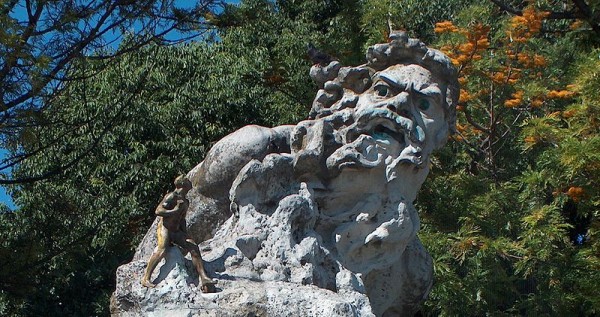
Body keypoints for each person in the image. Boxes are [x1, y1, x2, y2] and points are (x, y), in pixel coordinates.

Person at [141, 175, 216, 293]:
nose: (189, 181)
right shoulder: (172, 196)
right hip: (165, 229)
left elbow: (182, 219)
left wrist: (185, 235)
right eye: (186, 180)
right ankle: (146, 278)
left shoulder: (186, 201)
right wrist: (174, 210)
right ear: (182, 184)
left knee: (193, 247)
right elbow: (158, 211)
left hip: (176, 231)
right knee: (162, 249)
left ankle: (204, 278)